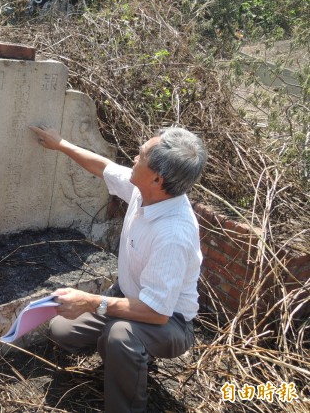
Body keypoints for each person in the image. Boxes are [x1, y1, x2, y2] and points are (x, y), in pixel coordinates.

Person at [29, 125, 207, 413]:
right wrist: (60, 143)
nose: (133, 159)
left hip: (169, 321)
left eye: (140, 156)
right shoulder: (147, 191)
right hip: (131, 297)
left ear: (158, 179)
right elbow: (103, 167)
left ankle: (126, 403)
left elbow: (156, 312)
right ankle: (124, 356)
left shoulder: (173, 233)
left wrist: (89, 301)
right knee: (63, 329)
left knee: (121, 336)